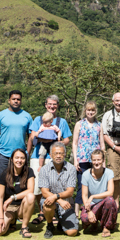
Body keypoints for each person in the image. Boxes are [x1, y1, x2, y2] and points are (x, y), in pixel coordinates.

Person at [28, 95, 72, 224]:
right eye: (49, 104)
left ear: (57, 106)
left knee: (53, 187)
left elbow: (67, 139)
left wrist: (58, 143)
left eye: (54, 104)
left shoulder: (61, 122)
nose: (52, 106)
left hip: (54, 158)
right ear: (45, 105)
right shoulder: (38, 119)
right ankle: (42, 211)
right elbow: (32, 136)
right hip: (38, 156)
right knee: (37, 187)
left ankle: (53, 212)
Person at [0, 148, 36, 238]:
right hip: (8, 208)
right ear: (12, 159)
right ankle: (11, 221)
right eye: (17, 158)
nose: (19, 160)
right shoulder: (5, 173)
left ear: (25, 160)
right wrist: (0, 216)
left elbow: (30, 190)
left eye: (22, 158)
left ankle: (24, 227)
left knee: (31, 196)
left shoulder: (29, 171)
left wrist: (12, 197)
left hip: (22, 207)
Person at [38, 142, 79, 238]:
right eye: (56, 153)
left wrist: (56, 196)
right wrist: (59, 200)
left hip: (66, 203)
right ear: (51, 154)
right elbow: (44, 192)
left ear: (65, 154)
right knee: (48, 203)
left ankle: (61, 222)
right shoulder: (44, 169)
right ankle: (50, 225)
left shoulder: (71, 169)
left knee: (72, 232)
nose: (58, 156)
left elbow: (70, 192)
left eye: (61, 153)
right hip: (51, 201)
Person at [72, 101, 105, 217]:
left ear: (95, 112)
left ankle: (96, 209)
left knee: (96, 184)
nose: (90, 112)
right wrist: (76, 160)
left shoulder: (99, 125)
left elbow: (102, 144)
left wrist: (103, 161)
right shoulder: (79, 124)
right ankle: (76, 211)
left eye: (92, 110)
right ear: (85, 111)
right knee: (82, 185)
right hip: (82, 159)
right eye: (88, 110)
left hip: (96, 160)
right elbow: (75, 143)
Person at [0, 90, 32, 178]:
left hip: (20, 156)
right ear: (9, 100)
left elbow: (31, 136)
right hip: (3, 155)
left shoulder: (27, 116)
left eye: (18, 99)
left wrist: (27, 153)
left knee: (20, 181)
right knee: (2, 182)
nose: (16, 101)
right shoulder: (0, 115)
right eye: (13, 99)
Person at [80, 149, 118, 237]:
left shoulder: (109, 173)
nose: (96, 162)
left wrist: (93, 196)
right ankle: (94, 223)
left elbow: (110, 192)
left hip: (105, 204)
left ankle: (106, 227)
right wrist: (89, 211)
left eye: (99, 160)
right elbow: (84, 196)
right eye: (94, 160)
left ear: (103, 160)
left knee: (110, 200)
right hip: (92, 206)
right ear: (91, 161)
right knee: (85, 219)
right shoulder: (85, 174)